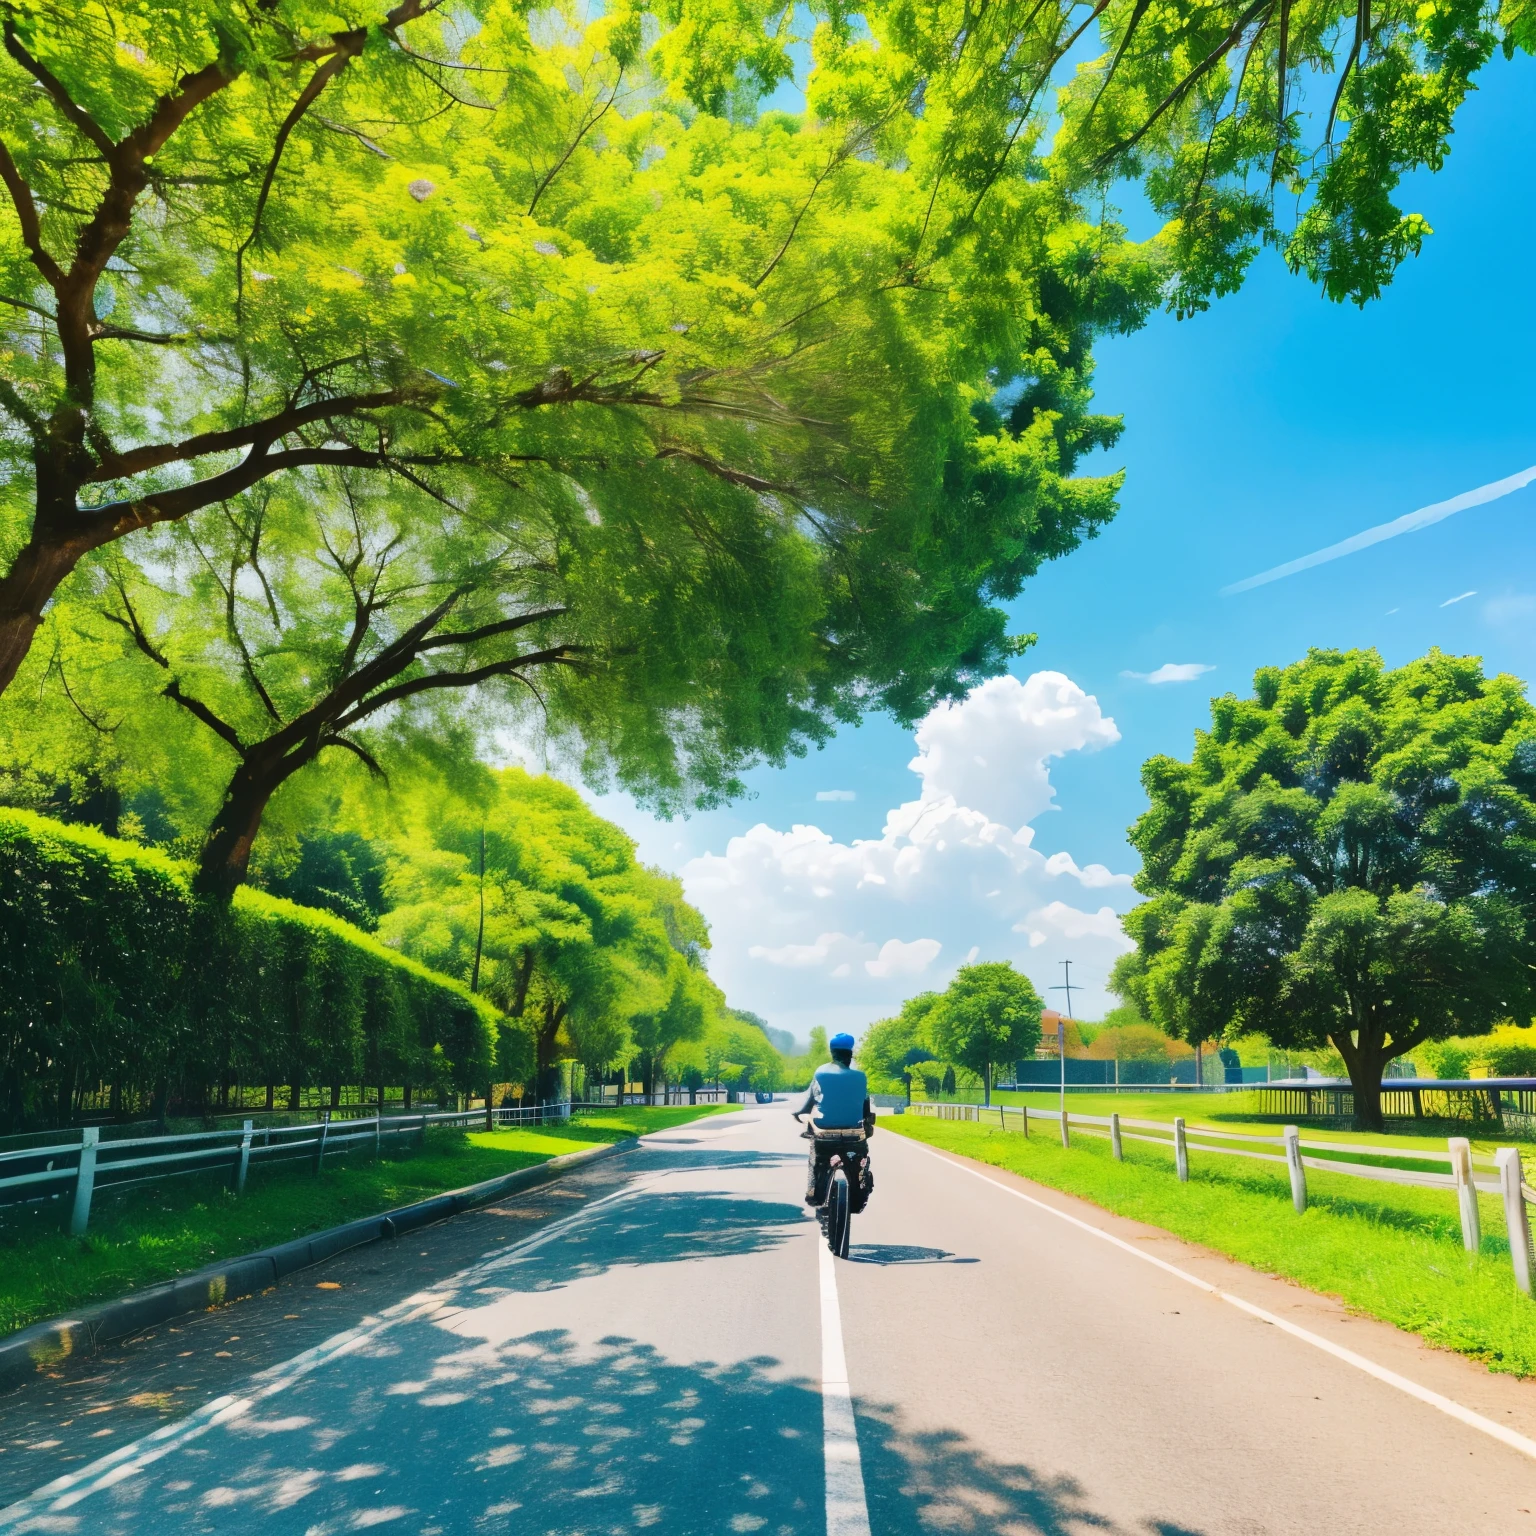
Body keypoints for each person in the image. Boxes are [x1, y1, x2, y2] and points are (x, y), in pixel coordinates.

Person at [792, 1033, 875, 1213]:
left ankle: (814, 1190)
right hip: (853, 1135)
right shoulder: (860, 1077)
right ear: (850, 1054)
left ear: (832, 1052)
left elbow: (811, 1099)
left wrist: (800, 1113)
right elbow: (865, 1106)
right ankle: (859, 1192)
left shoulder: (821, 1072)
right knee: (860, 1165)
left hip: (824, 1134)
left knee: (817, 1158)